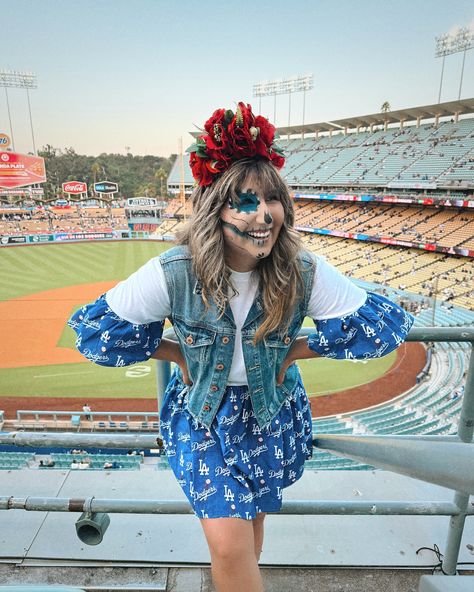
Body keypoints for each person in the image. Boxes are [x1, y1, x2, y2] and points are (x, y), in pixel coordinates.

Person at [68, 102, 414, 592]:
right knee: (230, 544)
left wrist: (295, 351)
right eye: (245, 201)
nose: (263, 213)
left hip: (269, 413)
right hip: (205, 417)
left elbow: (379, 328)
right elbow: (98, 333)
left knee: (248, 536)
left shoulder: (300, 268)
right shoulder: (176, 271)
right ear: (215, 210)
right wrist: (175, 353)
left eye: (272, 198)